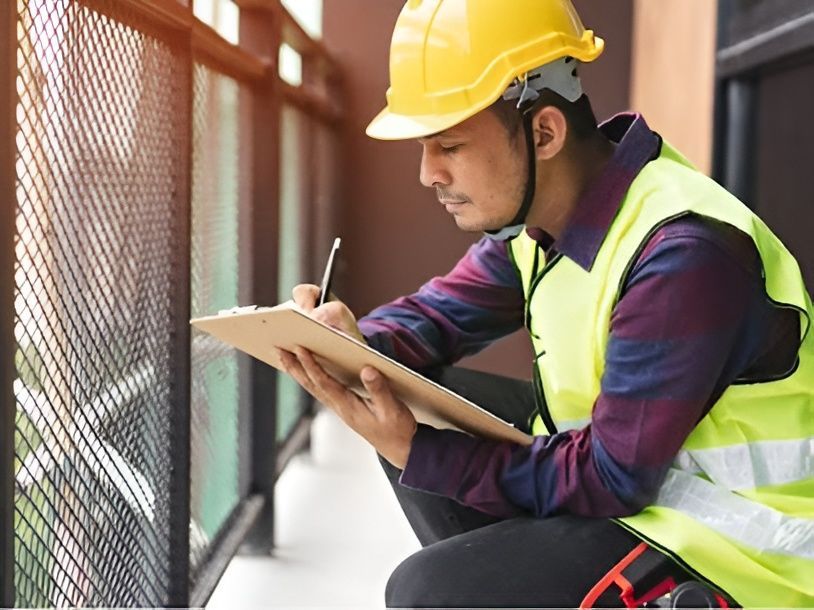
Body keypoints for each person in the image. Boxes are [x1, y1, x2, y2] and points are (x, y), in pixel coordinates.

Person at [276, 0, 814, 607]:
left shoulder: (682, 253)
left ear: (544, 132)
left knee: (430, 590)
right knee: (397, 391)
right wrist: (350, 343)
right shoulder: (541, 223)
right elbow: (436, 318)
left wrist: (421, 453)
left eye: (448, 145)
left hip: (741, 550)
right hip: (643, 496)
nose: (428, 173)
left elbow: (612, 479)